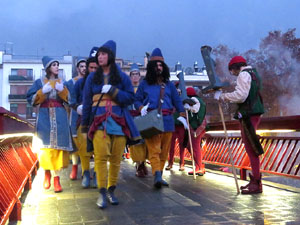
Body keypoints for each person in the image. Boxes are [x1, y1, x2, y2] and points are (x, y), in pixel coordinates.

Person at [81, 40, 140, 209]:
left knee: (115, 159)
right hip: (99, 121)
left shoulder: (122, 77)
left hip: (119, 122)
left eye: (103, 54)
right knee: (99, 157)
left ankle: (111, 190)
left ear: (111, 56)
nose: (100, 57)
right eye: (99, 54)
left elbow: (130, 98)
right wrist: (85, 126)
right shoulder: (92, 77)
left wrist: (114, 91)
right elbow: (86, 102)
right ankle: (101, 192)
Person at [134, 48, 187, 189]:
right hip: (151, 120)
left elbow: (177, 101)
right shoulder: (144, 84)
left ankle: (159, 174)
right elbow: (137, 100)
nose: (159, 67)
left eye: (161, 65)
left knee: (164, 151)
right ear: (151, 67)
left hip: (168, 121)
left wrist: (182, 116)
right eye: (156, 65)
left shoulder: (169, 85)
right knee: (154, 150)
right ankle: (157, 175)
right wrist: (141, 109)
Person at [214, 56, 264, 194]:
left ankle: (256, 182)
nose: (233, 75)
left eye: (232, 71)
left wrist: (223, 96)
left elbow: (241, 96)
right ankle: (255, 179)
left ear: (235, 68)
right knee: (252, 146)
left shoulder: (243, 75)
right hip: (254, 112)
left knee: (251, 147)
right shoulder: (254, 74)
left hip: (248, 114)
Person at [27, 56, 73, 193]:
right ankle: (47, 173)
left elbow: (71, 99)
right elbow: (31, 100)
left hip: (60, 116)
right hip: (44, 116)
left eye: (57, 65)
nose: (57, 67)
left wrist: (62, 91)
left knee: (58, 149)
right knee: (45, 147)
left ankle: (56, 179)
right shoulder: (38, 82)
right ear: (48, 67)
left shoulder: (63, 82)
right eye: (54, 65)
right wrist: (42, 92)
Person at [74, 47, 99, 188]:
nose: (93, 70)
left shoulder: (103, 83)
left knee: (98, 148)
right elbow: (72, 100)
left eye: (96, 67)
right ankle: (85, 173)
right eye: (91, 67)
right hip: (83, 120)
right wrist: (77, 107)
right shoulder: (79, 83)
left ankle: (96, 173)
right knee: (83, 149)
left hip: (98, 120)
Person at [65, 58, 87, 180]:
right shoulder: (70, 83)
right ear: (77, 68)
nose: (84, 68)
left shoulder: (90, 81)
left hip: (87, 115)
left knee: (85, 143)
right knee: (75, 144)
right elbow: (66, 99)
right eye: (81, 66)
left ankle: (85, 170)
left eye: (85, 66)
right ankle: (74, 167)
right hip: (74, 115)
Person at [128, 63, 148, 178]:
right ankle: (138, 164)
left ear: (140, 76)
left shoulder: (143, 89)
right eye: (133, 74)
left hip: (143, 118)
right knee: (135, 143)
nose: (135, 76)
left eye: (137, 74)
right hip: (132, 118)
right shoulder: (128, 90)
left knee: (144, 141)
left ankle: (143, 162)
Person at [184, 87, 207, 176]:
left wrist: (188, 108)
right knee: (191, 146)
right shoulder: (200, 100)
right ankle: (199, 165)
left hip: (196, 126)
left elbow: (195, 109)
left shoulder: (194, 100)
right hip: (200, 125)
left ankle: (199, 167)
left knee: (195, 147)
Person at [166, 82, 186, 171]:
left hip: (181, 126)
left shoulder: (183, 100)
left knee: (182, 145)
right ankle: (170, 162)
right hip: (172, 125)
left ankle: (182, 163)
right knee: (171, 145)